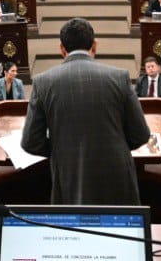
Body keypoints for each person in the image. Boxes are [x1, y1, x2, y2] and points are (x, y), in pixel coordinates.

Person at [20, 18, 151, 205]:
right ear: (94, 46)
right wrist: (113, 146)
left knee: (75, 231)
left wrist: (61, 148)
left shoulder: (42, 82)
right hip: (116, 177)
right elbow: (141, 135)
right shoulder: (120, 77)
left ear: (62, 49)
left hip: (68, 176)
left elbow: (30, 142)